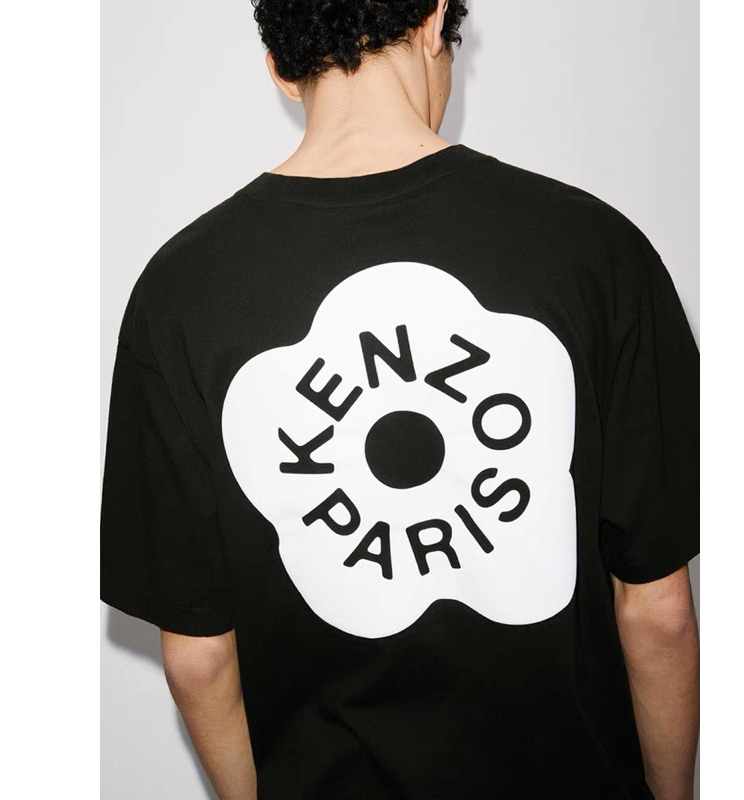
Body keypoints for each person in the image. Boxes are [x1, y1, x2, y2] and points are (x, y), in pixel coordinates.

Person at [100, 1, 700, 798]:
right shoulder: (600, 252)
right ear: (433, 19)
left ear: (280, 70)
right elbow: (658, 612)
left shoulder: (179, 294)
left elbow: (198, 659)